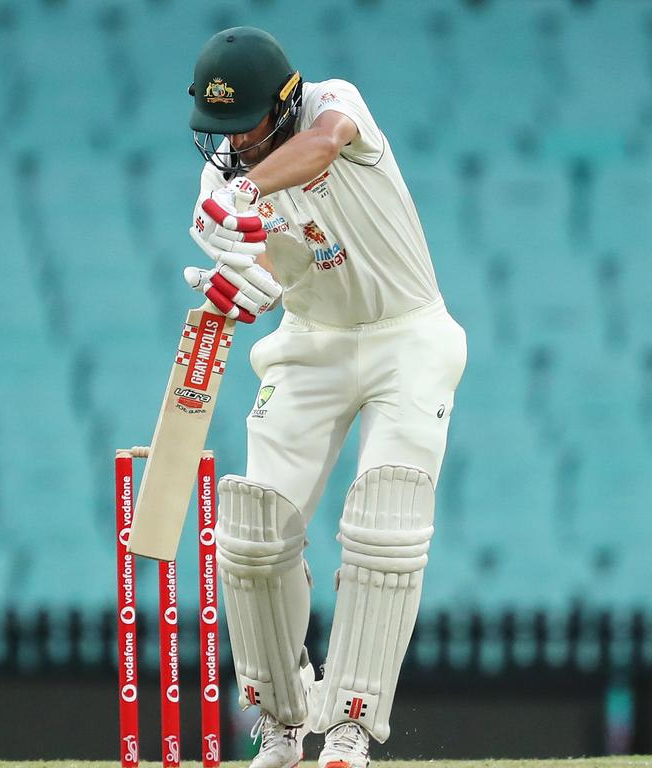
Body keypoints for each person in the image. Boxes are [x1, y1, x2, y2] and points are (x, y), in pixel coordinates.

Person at [184, 26, 468, 768]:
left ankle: (348, 725)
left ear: (282, 104)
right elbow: (268, 283)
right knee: (248, 532)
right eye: (216, 131)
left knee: (387, 519)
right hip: (311, 343)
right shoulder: (219, 185)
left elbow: (325, 145)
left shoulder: (333, 104)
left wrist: (246, 192)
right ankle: (280, 724)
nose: (229, 146)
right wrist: (236, 287)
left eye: (240, 125)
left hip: (408, 336)